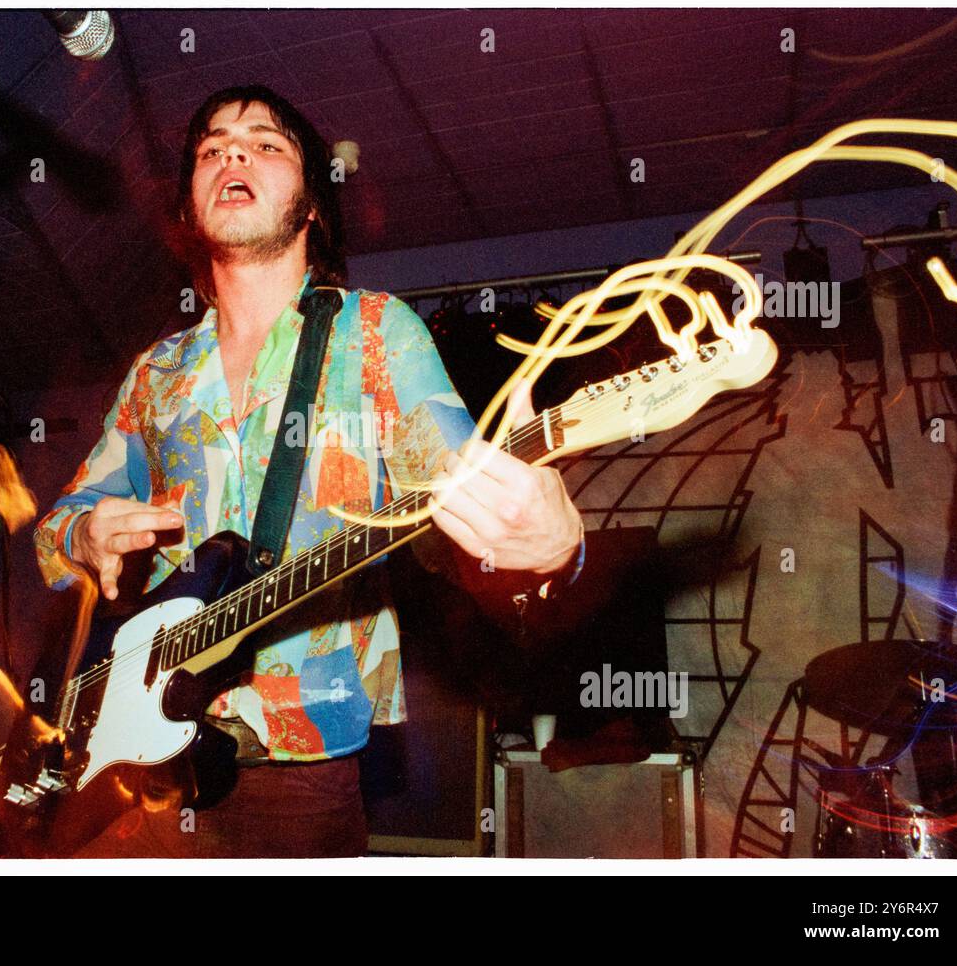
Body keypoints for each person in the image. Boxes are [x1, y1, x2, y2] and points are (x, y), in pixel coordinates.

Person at [33, 84, 583, 858]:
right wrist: (84, 532)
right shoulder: (154, 374)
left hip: (293, 773)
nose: (233, 152)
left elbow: (456, 519)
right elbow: (54, 530)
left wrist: (547, 547)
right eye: (212, 147)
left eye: (266, 143)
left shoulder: (375, 337)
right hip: (135, 769)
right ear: (191, 210)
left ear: (313, 204)